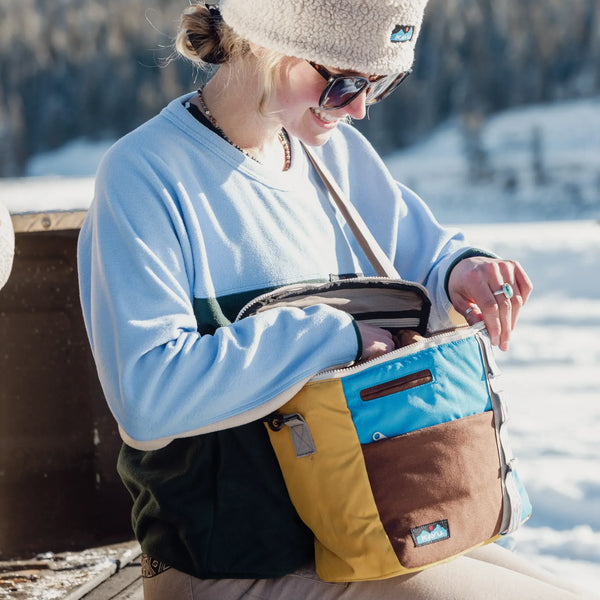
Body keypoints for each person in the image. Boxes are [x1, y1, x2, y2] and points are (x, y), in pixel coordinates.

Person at [77, 1, 591, 598]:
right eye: (344, 80)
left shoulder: (330, 154)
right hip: (235, 561)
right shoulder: (145, 176)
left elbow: (419, 254)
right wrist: (327, 335)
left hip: (368, 530)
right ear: (269, 38)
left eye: (381, 82)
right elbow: (147, 396)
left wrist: (460, 272)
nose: (360, 107)